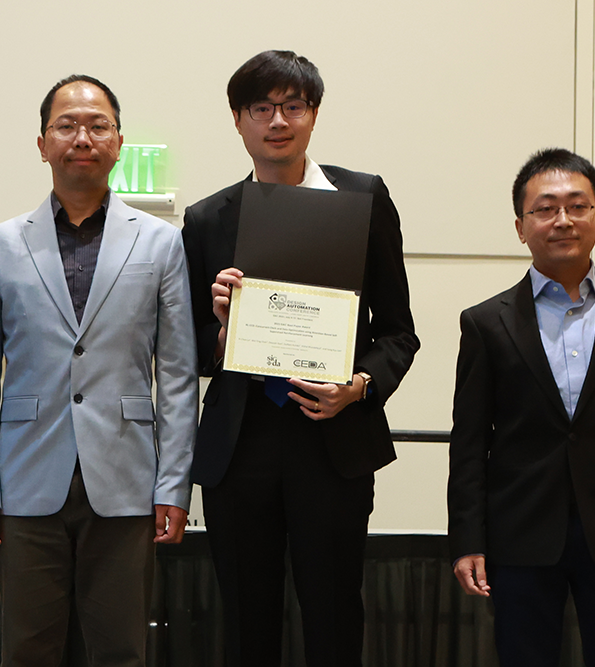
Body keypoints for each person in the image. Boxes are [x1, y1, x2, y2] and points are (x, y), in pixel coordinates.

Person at [182, 50, 419, 666]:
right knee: (245, 619)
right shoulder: (208, 217)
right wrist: (223, 328)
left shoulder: (362, 197)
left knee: (335, 613)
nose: (277, 121)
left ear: (313, 115)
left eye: (292, 106)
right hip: (241, 443)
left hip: (333, 436)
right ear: (239, 120)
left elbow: (398, 331)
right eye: (261, 108)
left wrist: (359, 385)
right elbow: (190, 346)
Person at [0, 74, 198, 667]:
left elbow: (177, 375)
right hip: (24, 479)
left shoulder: (162, 244)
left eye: (97, 125)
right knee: (25, 648)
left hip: (127, 480)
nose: (81, 137)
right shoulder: (0, 244)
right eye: (66, 125)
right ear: (42, 144)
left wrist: (173, 483)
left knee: (119, 647)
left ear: (119, 142)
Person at [448, 148, 595, 666]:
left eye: (577, 206)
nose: (563, 219)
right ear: (520, 226)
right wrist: (468, 540)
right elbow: (468, 444)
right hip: (520, 535)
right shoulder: (485, 323)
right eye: (545, 208)